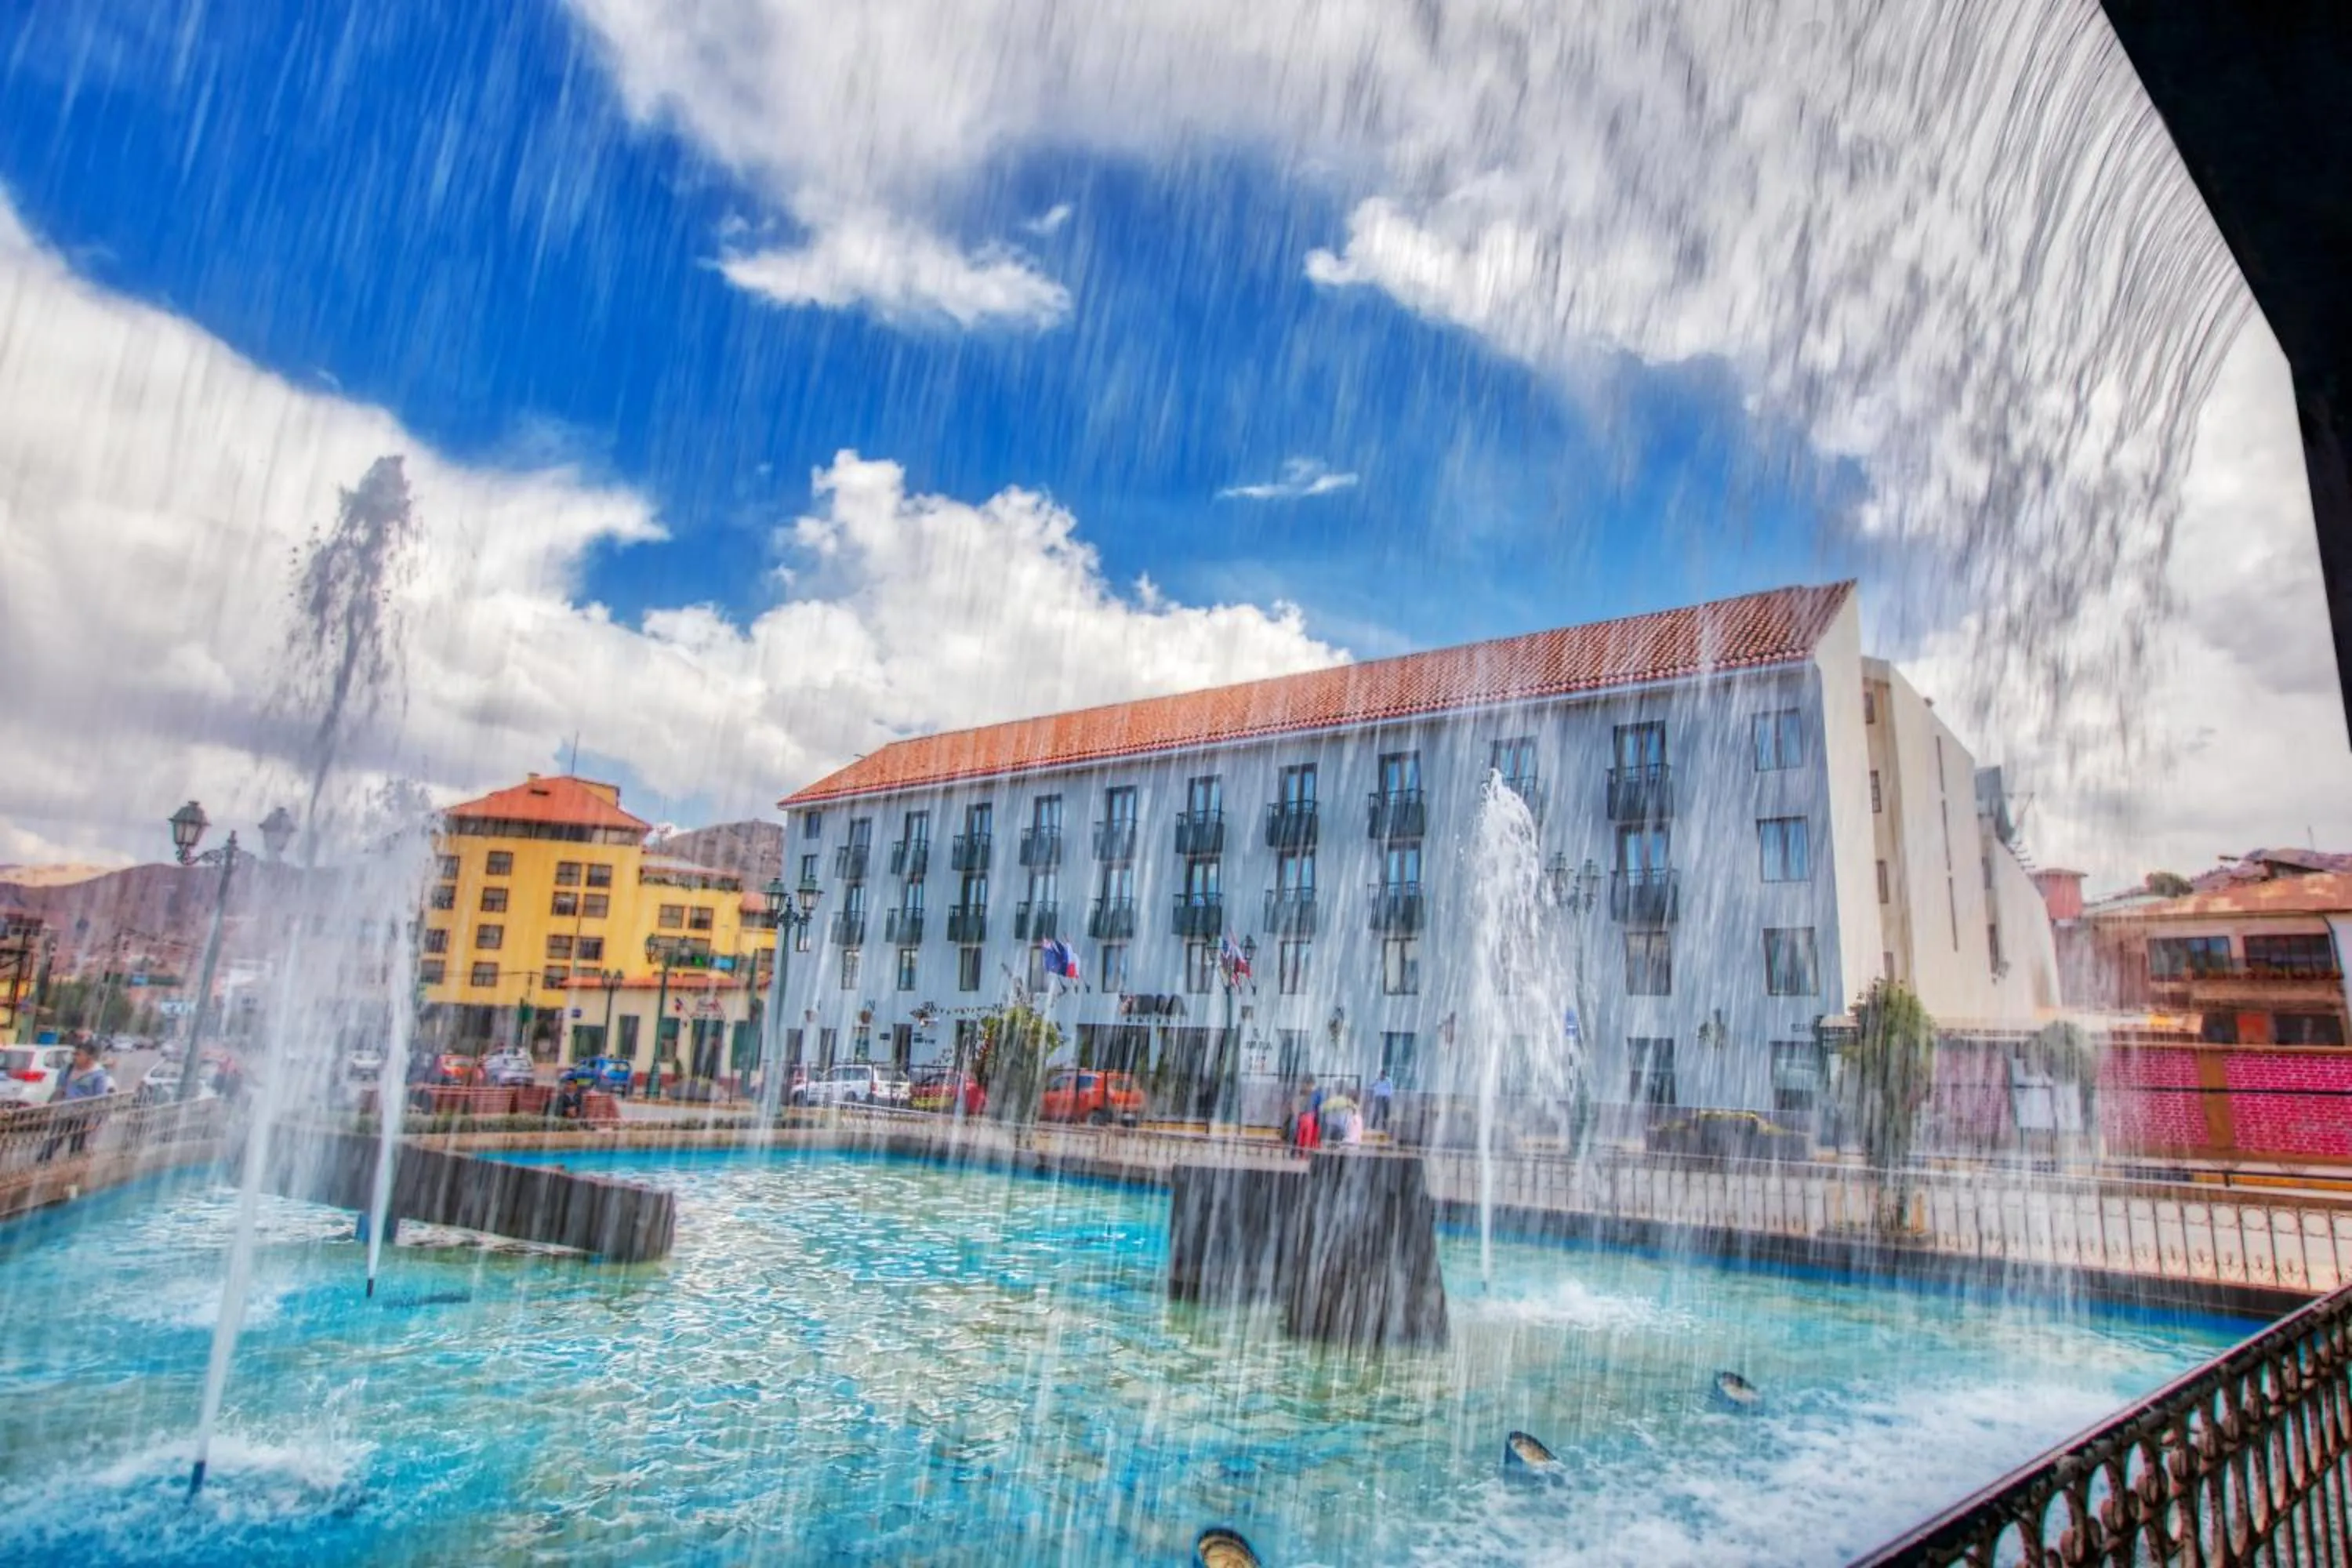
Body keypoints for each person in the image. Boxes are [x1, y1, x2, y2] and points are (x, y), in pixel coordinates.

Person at [38, 1042, 114, 1163]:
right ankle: (41, 1165)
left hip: (83, 1116)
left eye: (79, 1054)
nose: (75, 1057)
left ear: (89, 1057)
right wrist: (51, 1108)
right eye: (74, 1054)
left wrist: (93, 1121)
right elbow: (59, 1090)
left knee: (76, 1147)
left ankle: (73, 1171)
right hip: (64, 1113)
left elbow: (100, 1099)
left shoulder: (98, 1075)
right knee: (52, 1143)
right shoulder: (67, 1069)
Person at [1369, 1069, 1394, 1134]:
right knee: (1376, 1112)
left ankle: (1385, 1127)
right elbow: (1371, 1085)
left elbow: (1390, 1090)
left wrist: (1388, 1097)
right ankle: (1373, 1126)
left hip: (1385, 1097)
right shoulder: (1377, 1080)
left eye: (1383, 1075)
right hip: (1378, 1097)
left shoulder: (1388, 1081)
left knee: (1386, 1113)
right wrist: (1376, 1081)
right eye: (1381, 1075)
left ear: (1385, 1075)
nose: (1381, 1076)